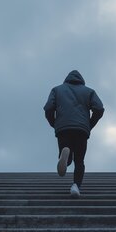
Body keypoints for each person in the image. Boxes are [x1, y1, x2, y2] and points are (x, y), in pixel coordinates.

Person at [44, 70, 104, 198]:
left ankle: (65, 156)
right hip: (81, 129)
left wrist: (54, 123)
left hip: (63, 128)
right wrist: (89, 124)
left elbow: (48, 108)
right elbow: (99, 108)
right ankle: (76, 186)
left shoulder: (57, 90)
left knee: (66, 151)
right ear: (81, 80)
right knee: (79, 160)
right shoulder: (89, 91)